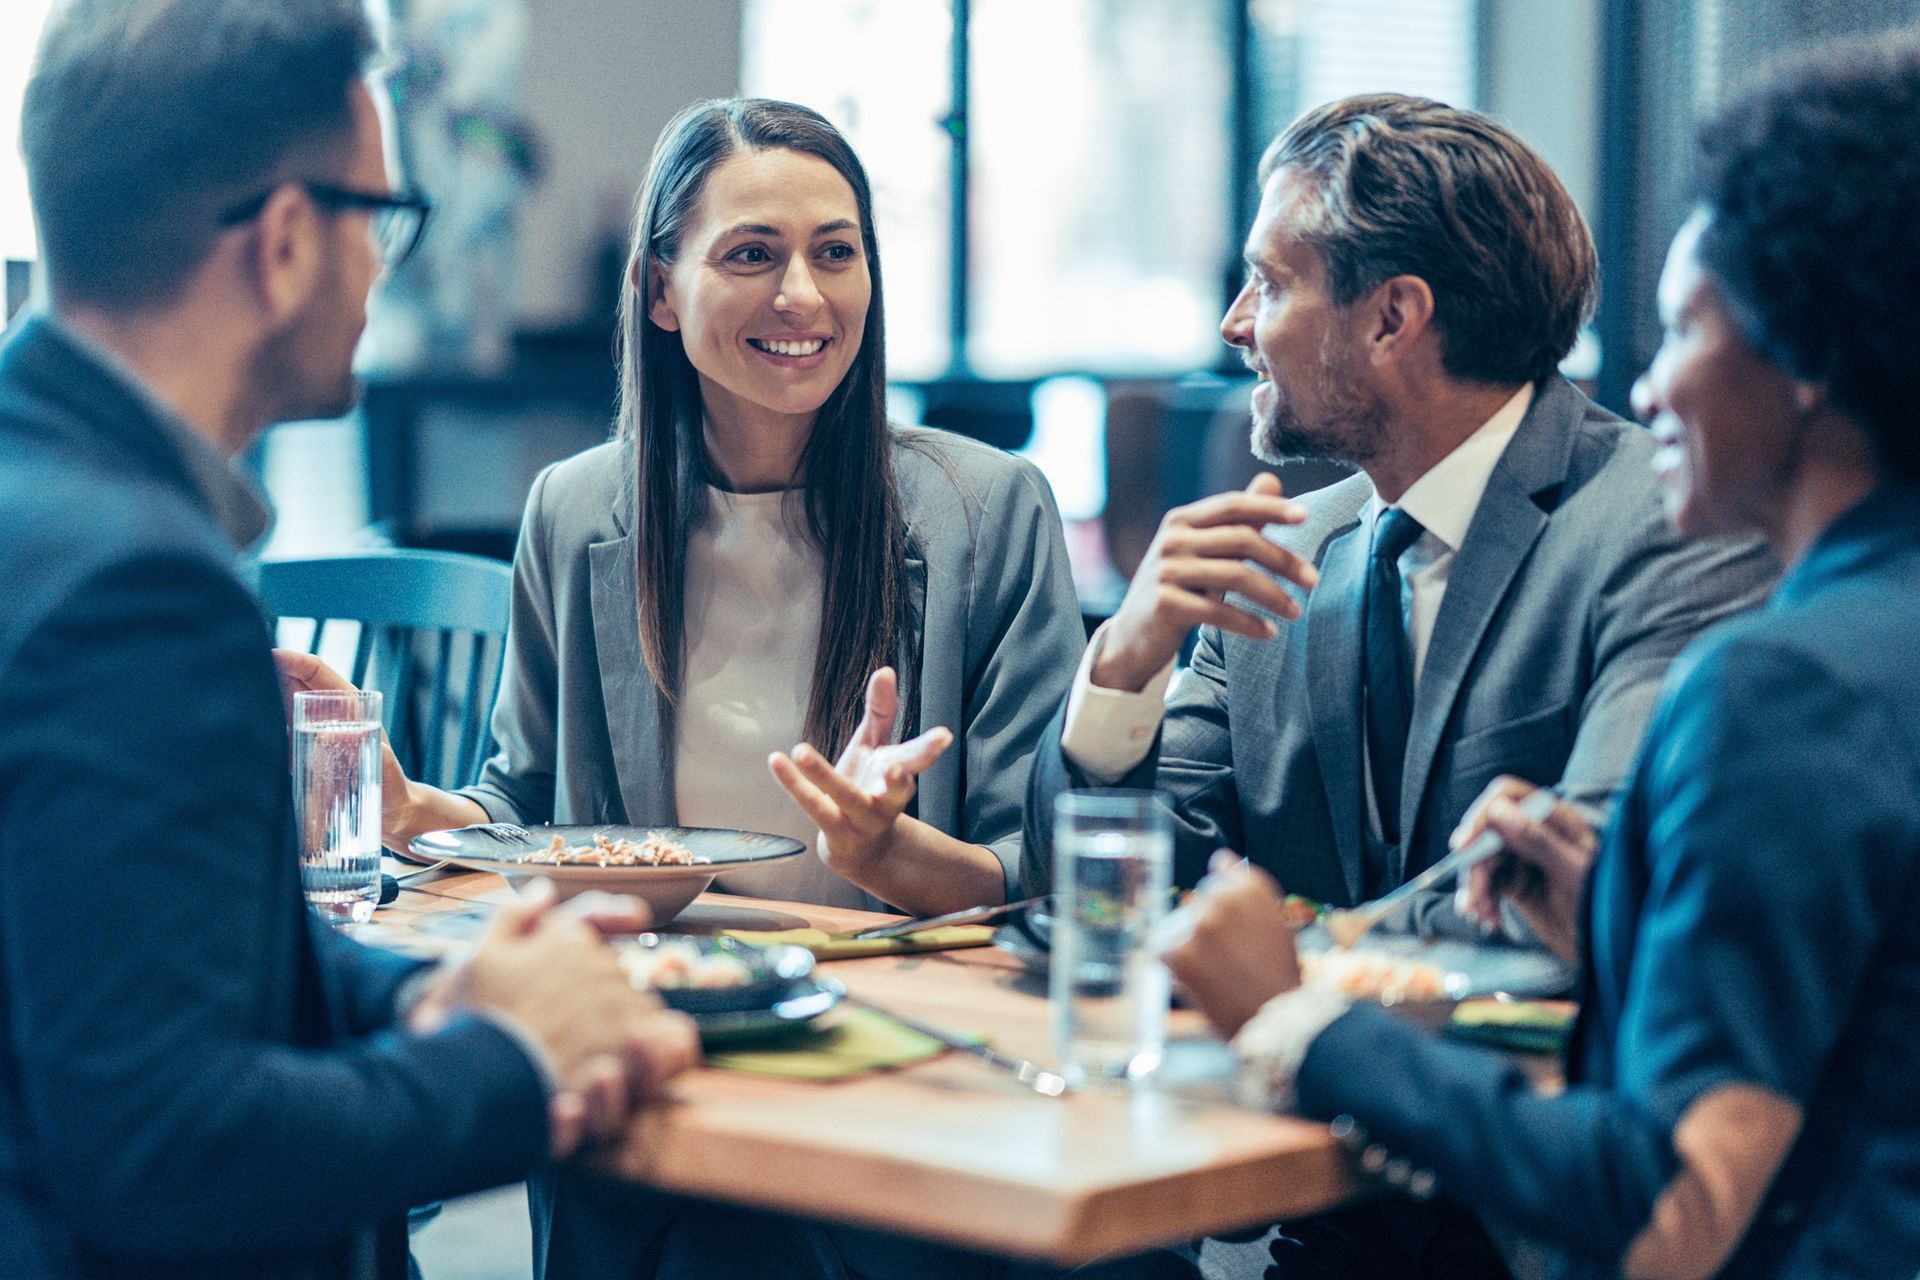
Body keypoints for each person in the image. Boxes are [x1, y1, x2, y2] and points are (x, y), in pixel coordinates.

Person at [1164, 35, 1920, 1280]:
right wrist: (1613, 922)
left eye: (1685, 327)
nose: (1654, 384)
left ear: (1807, 363)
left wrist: (1300, 1016)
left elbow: (1666, 1206)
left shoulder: (1786, 687)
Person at [0, 2, 702, 1278]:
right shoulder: (138, 584)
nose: (384, 268)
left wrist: (425, 996)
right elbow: (170, 1150)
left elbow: (130, 956)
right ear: (281, 243)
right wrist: (509, 1056)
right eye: (379, 220)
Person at [1022, 93, 1776, 1275]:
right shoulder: (1273, 548)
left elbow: (1589, 863)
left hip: (1544, 1221)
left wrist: (1283, 966)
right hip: (1308, 1223)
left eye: (1269, 284)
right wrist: (1123, 665)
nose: (1234, 323)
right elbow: (1122, 906)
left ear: (1393, 317)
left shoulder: (1668, 527)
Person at [280, 97, 1084, 922]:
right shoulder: (575, 508)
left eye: (836, 252)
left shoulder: (987, 514)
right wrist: (409, 811)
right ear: (660, 291)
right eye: (752, 255)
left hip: (898, 994)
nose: (803, 295)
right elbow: (526, 804)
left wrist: (888, 855)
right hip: (653, 984)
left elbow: (1045, 864)